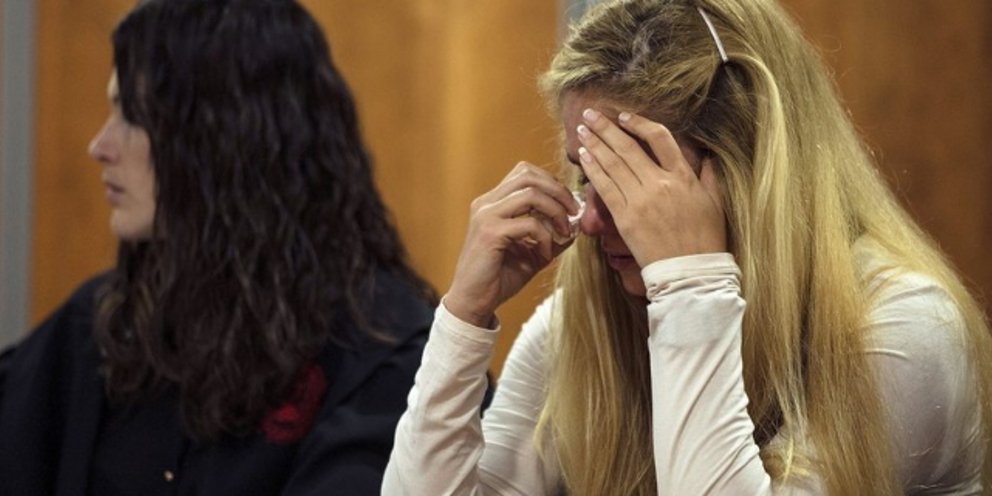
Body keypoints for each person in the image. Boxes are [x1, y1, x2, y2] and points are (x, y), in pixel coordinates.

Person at [383, 0, 991, 494]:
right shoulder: (585, 318)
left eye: (634, 180)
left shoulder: (905, 326)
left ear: (752, 169)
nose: (590, 220)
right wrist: (463, 317)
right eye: (587, 176)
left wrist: (692, 282)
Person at [0, 0, 437, 494]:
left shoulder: (383, 355)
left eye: (133, 116)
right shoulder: (106, 323)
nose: (99, 146)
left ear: (227, 136)